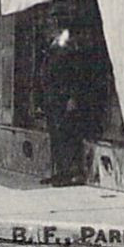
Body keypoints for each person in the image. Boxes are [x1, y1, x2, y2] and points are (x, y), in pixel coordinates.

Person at [40, 22, 105, 186]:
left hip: (64, 100)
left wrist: (72, 98)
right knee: (56, 137)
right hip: (52, 100)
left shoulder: (69, 51)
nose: (48, 32)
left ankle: (71, 174)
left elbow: (75, 77)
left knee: (68, 137)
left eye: (51, 29)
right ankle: (59, 172)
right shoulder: (52, 49)